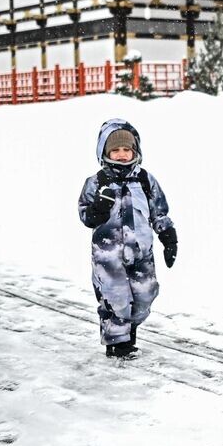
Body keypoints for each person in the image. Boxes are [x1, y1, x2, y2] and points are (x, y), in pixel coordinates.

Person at [77, 118, 179, 358]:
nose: (122, 154)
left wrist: (168, 236)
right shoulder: (96, 182)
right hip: (108, 256)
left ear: (136, 151)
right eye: (115, 149)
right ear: (104, 151)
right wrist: (97, 210)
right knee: (115, 299)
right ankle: (118, 344)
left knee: (145, 295)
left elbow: (159, 211)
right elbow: (85, 215)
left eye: (127, 149)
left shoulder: (145, 180)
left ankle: (128, 330)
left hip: (142, 252)